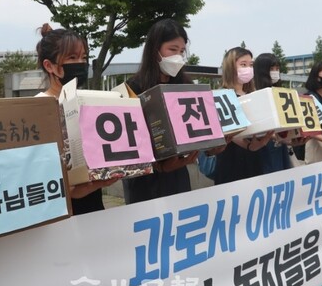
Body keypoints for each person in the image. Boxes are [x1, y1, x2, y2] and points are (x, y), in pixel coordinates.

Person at [34, 23, 117, 214]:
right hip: (60, 213)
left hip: (94, 206)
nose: (81, 63)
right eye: (72, 57)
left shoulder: (88, 100)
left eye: (84, 57)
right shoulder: (39, 108)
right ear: (50, 66)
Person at [122, 18, 198, 204]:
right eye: (172, 50)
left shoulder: (185, 86)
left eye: (181, 51)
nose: (178, 57)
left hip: (178, 177)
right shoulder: (133, 87)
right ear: (155, 49)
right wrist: (159, 165)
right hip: (144, 182)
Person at [212, 47, 273, 185]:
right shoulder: (222, 95)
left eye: (251, 65)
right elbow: (229, 131)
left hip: (255, 157)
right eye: (243, 64)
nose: (248, 69)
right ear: (230, 67)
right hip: (232, 159)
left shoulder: (254, 96)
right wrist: (250, 146)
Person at [253, 53, 296, 173]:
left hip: (280, 147)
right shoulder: (254, 95)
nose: (275, 72)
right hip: (263, 149)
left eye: (277, 69)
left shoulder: (279, 92)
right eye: (272, 69)